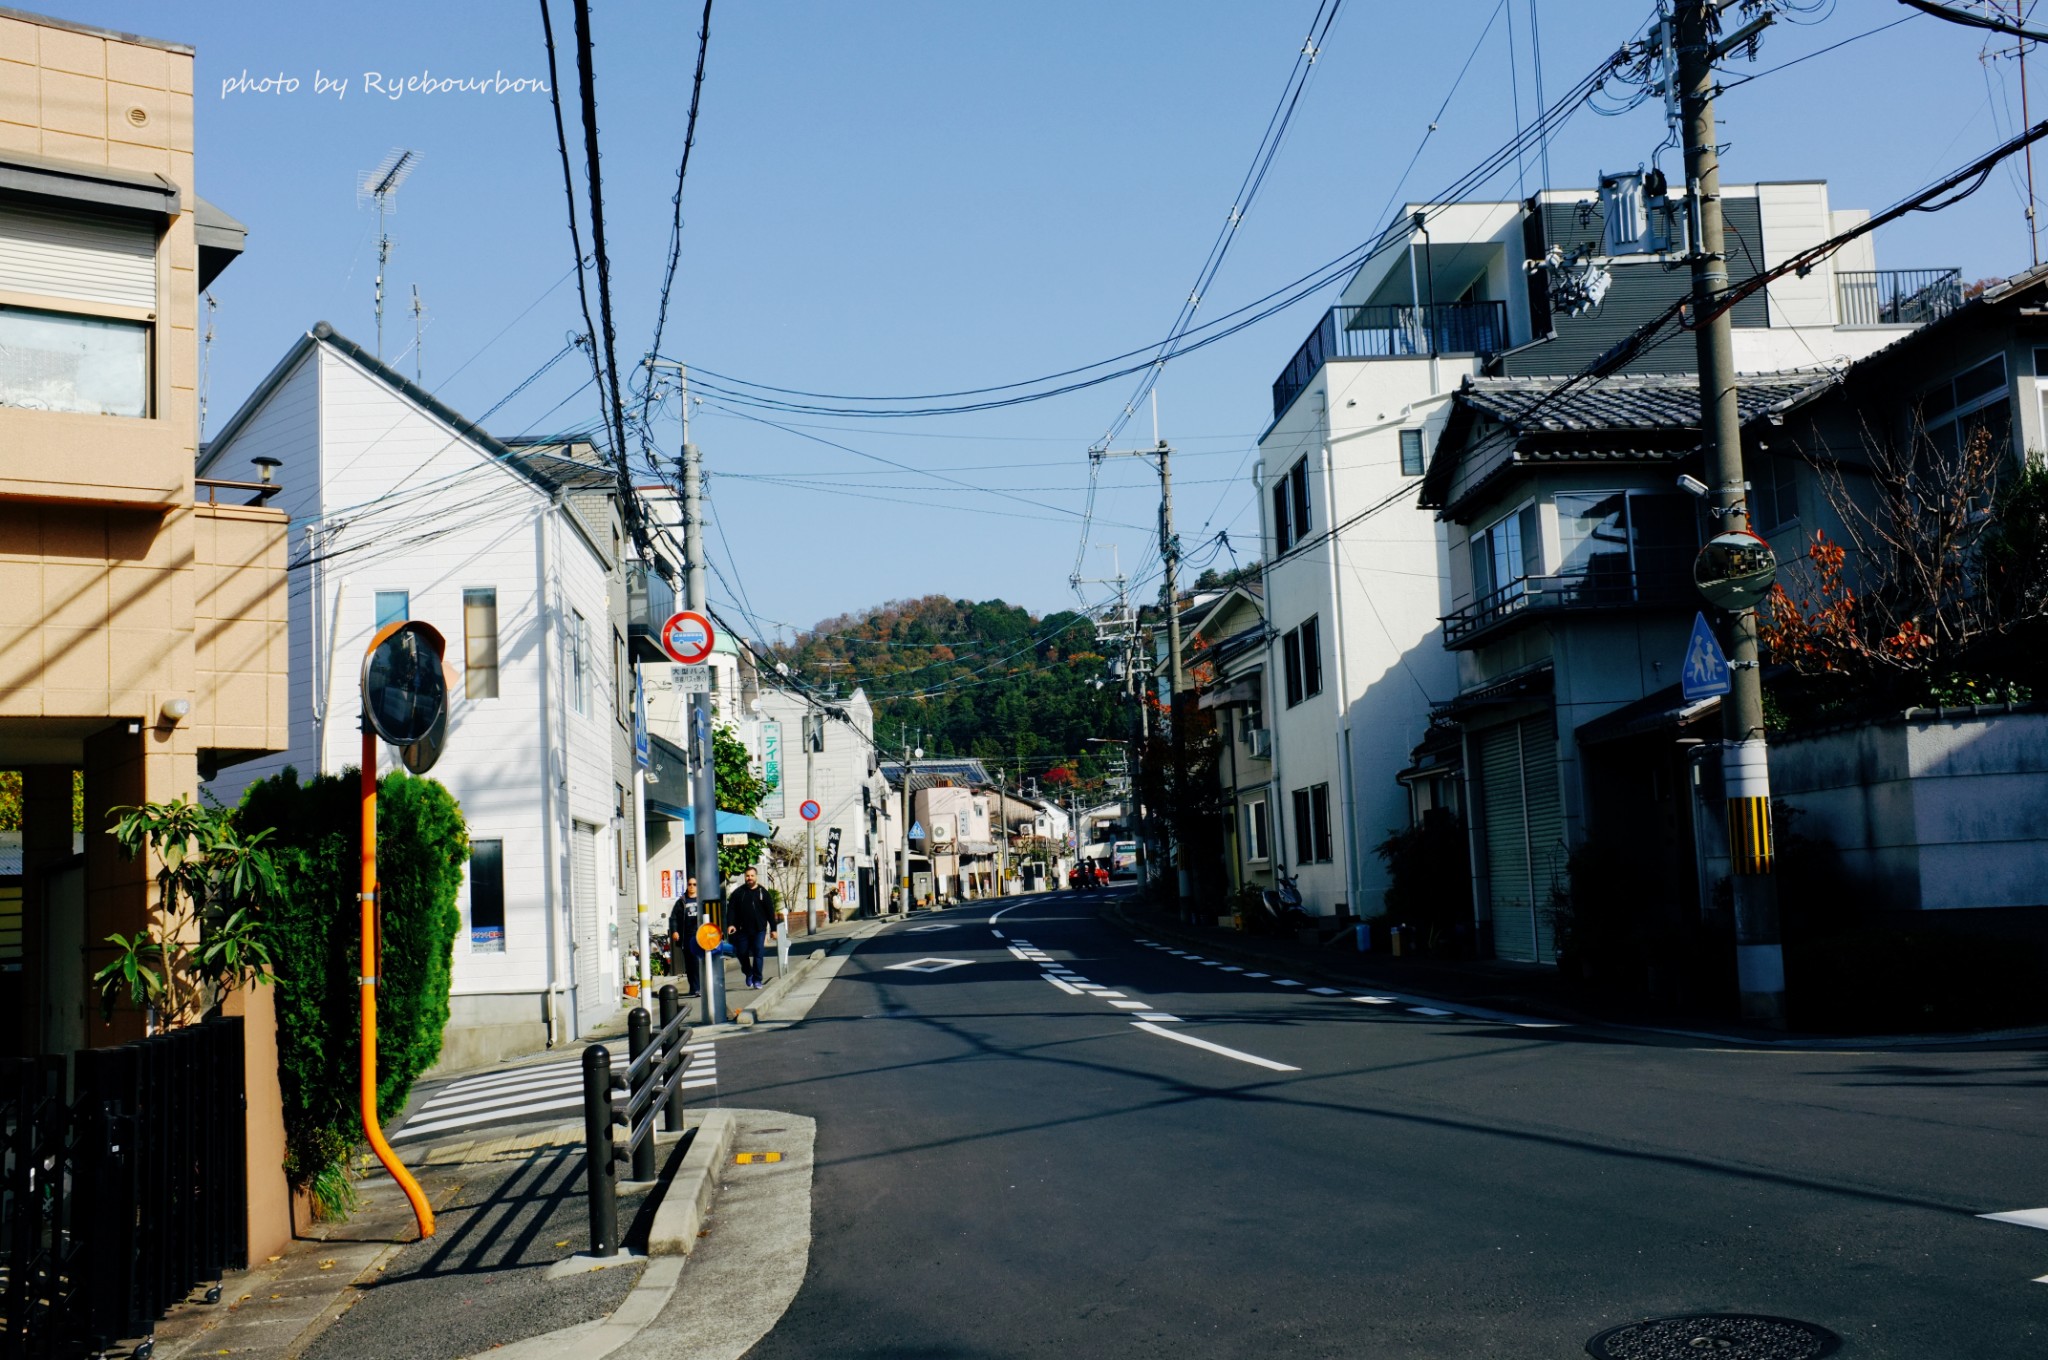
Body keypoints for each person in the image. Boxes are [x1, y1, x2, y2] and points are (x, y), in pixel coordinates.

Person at [725, 866, 777, 990]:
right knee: (741, 953)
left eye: (752, 876)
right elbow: (731, 910)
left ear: (756, 877)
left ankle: (758, 979)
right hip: (742, 929)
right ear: (745, 877)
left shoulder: (763, 892)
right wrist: (731, 924)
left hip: (759, 929)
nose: (749, 878)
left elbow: (770, 912)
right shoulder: (738, 893)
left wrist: (774, 929)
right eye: (747, 876)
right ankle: (748, 973)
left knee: (758, 953)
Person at [667, 877, 702, 997]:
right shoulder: (682, 901)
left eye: (694, 884)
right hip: (687, 936)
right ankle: (694, 988)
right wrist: (675, 931)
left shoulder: (702, 899)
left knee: (699, 961)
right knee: (691, 963)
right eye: (690, 884)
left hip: (701, 935)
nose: (692, 886)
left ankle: (699, 987)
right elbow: (674, 918)